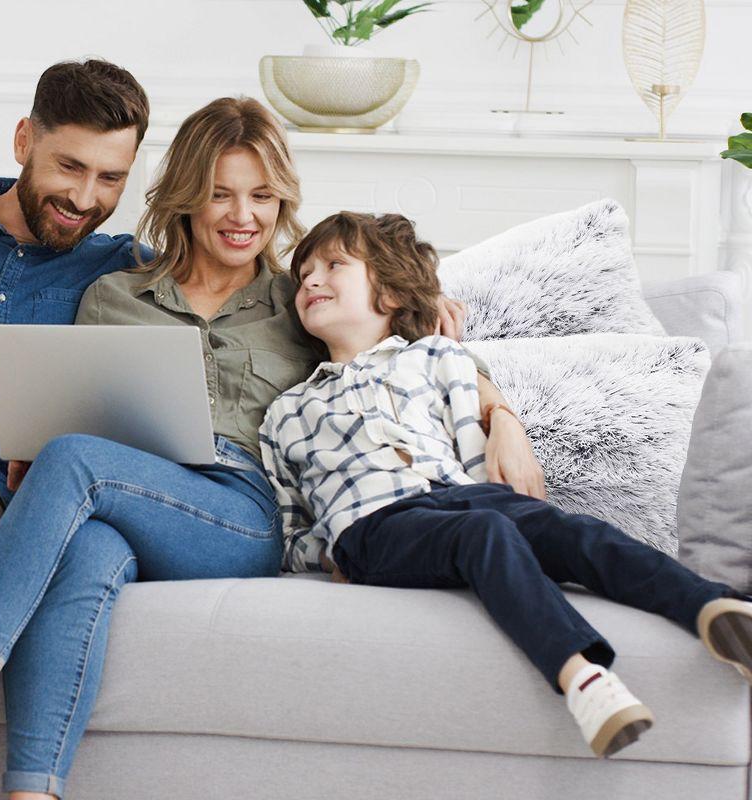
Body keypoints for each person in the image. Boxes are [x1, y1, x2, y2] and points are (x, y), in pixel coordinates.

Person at [0, 97, 542, 798]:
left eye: (262, 196)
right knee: (86, 548)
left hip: (241, 514)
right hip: (131, 493)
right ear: (187, 199)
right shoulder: (115, 293)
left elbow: (409, 350)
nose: (243, 216)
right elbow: (78, 404)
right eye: (221, 195)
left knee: (74, 459)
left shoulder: (303, 298)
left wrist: (501, 413)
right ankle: (32, 793)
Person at [259, 210, 752, 758]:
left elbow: (475, 451)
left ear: (392, 293)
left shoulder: (437, 359)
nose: (311, 280)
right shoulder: (288, 411)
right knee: (485, 531)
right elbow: (290, 520)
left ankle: (714, 610)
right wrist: (328, 558)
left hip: (458, 497)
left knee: (568, 531)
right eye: (304, 273)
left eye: (333, 265)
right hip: (370, 528)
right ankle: (582, 678)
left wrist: (507, 443)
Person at [0, 58, 150, 569]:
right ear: (24, 141)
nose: (85, 199)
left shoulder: (125, 268)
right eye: (70, 166)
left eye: (110, 177)